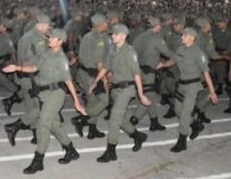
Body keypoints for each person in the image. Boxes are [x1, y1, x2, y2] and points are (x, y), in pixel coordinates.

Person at [3, 29, 86, 174]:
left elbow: (68, 81)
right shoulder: (46, 53)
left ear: (60, 41)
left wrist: (77, 102)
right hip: (44, 94)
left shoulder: (61, 59)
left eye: (53, 38)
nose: (49, 39)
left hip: (56, 95)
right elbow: (35, 67)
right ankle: (71, 151)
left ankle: (38, 161)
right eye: (49, 37)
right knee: (55, 125)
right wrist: (17, 67)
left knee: (43, 124)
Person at [88, 24, 151, 163]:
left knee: (114, 118)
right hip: (115, 89)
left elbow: (137, 74)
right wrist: (95, 82)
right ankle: (137, 136)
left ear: (123, 35)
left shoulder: (130, 51)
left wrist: (141, 95)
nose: (112, 36)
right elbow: (106, 67)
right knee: (119, 118)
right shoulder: (113, 49)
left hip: (127, 90)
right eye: (112, 34)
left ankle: (111, 151)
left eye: (115, 34)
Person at [168, 27, 217, 153]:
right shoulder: (180, 49)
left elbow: (206, 73)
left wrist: (212, 92)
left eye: (184, 35)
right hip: (182, 85)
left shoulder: (198, 53)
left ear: (191, 37)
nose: (182, 37)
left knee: (185, 113)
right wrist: (161, 65)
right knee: (178, 110)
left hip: (192, 86)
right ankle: (196, 125)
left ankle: (182, 141)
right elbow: (173, 61)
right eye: (182, 35)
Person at [4, 14, 50, 146]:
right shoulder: (34, 38)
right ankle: (14, 127)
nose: (48, 29)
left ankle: (35, 134)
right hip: (31, 78)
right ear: (40, 25)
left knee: (32, 105)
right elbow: (31, 62)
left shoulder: (32, 36)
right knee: (40, 106)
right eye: (47, 26)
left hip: (25, 77)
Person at [129, 17, 174, 131]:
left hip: (139, 71)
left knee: (151, 97)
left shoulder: (139, 37)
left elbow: (132, 53)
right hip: (150, 73)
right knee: (149, 97)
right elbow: (168, 53)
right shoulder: (157, 38)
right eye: (159, 25)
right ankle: (133, 120)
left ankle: (154, 122)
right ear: (157, 26)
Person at [70, 13, 110, 140]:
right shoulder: (98, 39)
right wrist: (104, 79)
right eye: (105, 22)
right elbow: (99, 62)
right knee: (104, 100)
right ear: (100, 25)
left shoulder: (87, 36)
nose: (107, 24)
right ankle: (81, 119)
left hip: (83, 73)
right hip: (92, 75)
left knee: (92, 102)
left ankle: (92, 130)